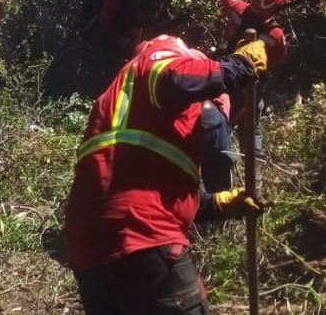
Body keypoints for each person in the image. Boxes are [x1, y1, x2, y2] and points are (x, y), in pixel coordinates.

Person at [64, 34, 267, 315]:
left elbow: (138, 184)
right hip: (142, 232)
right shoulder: (157, 57)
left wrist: (217, 203)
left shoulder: (124, 107)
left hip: (88, 248)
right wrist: (239, 66)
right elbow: (178, 77)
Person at [219, 0, 289, 156]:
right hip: (252, 81)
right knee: (251, 122)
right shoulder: (275, 35)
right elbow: (278, 58)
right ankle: (253, 164)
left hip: (223, 72)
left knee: (221, 118)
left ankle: (222, 160)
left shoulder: (237, 8)